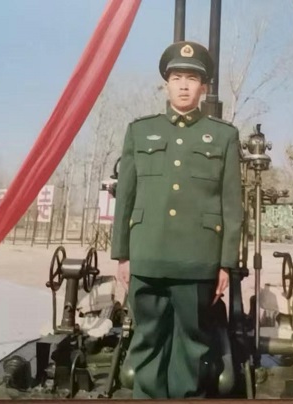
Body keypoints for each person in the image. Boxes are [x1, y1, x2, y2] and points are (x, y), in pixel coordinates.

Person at [110, 40, 243, 399]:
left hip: (197, 260)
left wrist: (226, 264)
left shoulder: (224, 136)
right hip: (147, 256)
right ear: (166, 84)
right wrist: (122, 255)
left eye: (192, 79)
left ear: (204, 87)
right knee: (146, 343)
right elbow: (126, 198)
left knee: (192, 349)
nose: (184, 86)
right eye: (177, 78)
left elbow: (232, 206)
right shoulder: (139, 131)